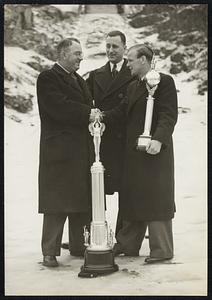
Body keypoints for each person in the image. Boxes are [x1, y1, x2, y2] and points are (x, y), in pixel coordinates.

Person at [103, 44, 178, 263]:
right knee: (132, 196)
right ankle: (128, 244)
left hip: (155, 152)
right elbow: (120, 113)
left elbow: (168, 114)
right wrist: (98, 116)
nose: (127, 64)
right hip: (133, 154)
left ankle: (162, 250)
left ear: (143, 60)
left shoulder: (164, 81)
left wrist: (158, 139)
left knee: (155, 198)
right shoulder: (133, 86)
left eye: (130, 60)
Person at [61, 31, 135, 251]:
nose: (111, 50)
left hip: (124, 140)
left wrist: (104, 116)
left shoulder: (134, 73)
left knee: (127, 191)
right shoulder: (95, 75)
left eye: (116, 46)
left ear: (124, 48)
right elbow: (82, 101)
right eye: (108, 46)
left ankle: (124, 240)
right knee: (94, 189)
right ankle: (91, 237)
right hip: (99, 141)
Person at [36, 38, 97, 267]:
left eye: (81, 53)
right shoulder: (48, 78)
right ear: (62, 54)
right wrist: (88, 113)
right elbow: (57, 106)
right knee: (56, 204)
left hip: (80, 151)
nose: (81, 57)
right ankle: (49, 251)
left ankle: (79, 246)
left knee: (80, 200)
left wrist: (91, 114)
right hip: (59, 152)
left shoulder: (78, 79)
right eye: (76, 53)